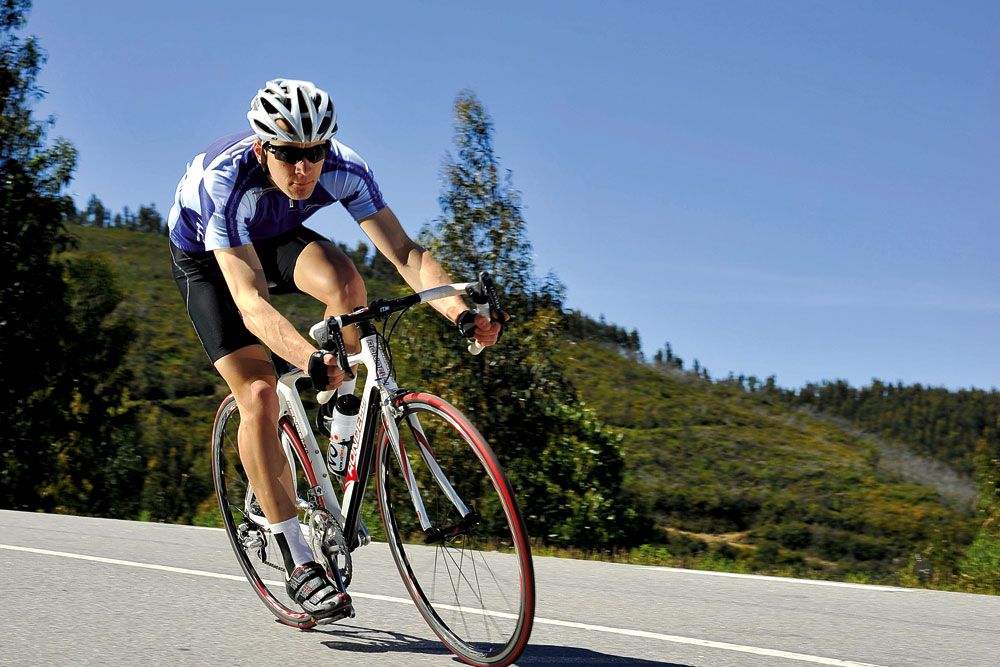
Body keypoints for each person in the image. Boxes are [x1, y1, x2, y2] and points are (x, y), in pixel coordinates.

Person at [167, 78, 503, 622]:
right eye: (290, 156)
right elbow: (250, 303)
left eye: (314, 154)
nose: (304, 169)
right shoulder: (223, 182)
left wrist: (460, 312)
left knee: (348, 286)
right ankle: (297, 561)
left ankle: (340, 426)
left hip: (274, 235)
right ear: (262, 149)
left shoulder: (346, 168)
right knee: (258, 392)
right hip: (211, 259)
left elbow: (406, 253)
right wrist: (307, 360)